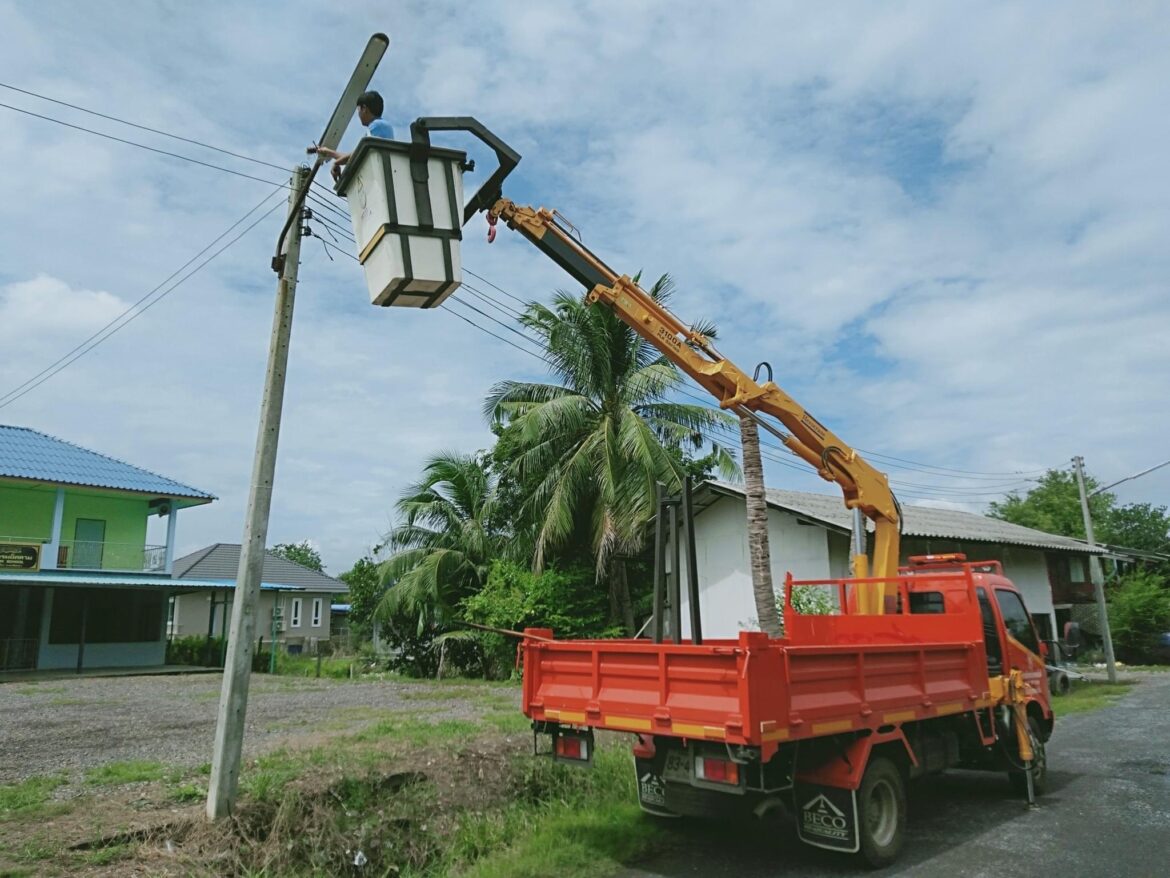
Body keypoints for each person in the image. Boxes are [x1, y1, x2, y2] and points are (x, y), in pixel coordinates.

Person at [313, 90, 395, 181]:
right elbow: (354, 155)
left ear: (364, 108)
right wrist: (328, 152)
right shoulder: (380, 126)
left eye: (358, 110)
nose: (358, 114)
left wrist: (336, 162)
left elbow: (355, 154)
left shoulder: (377, 125)